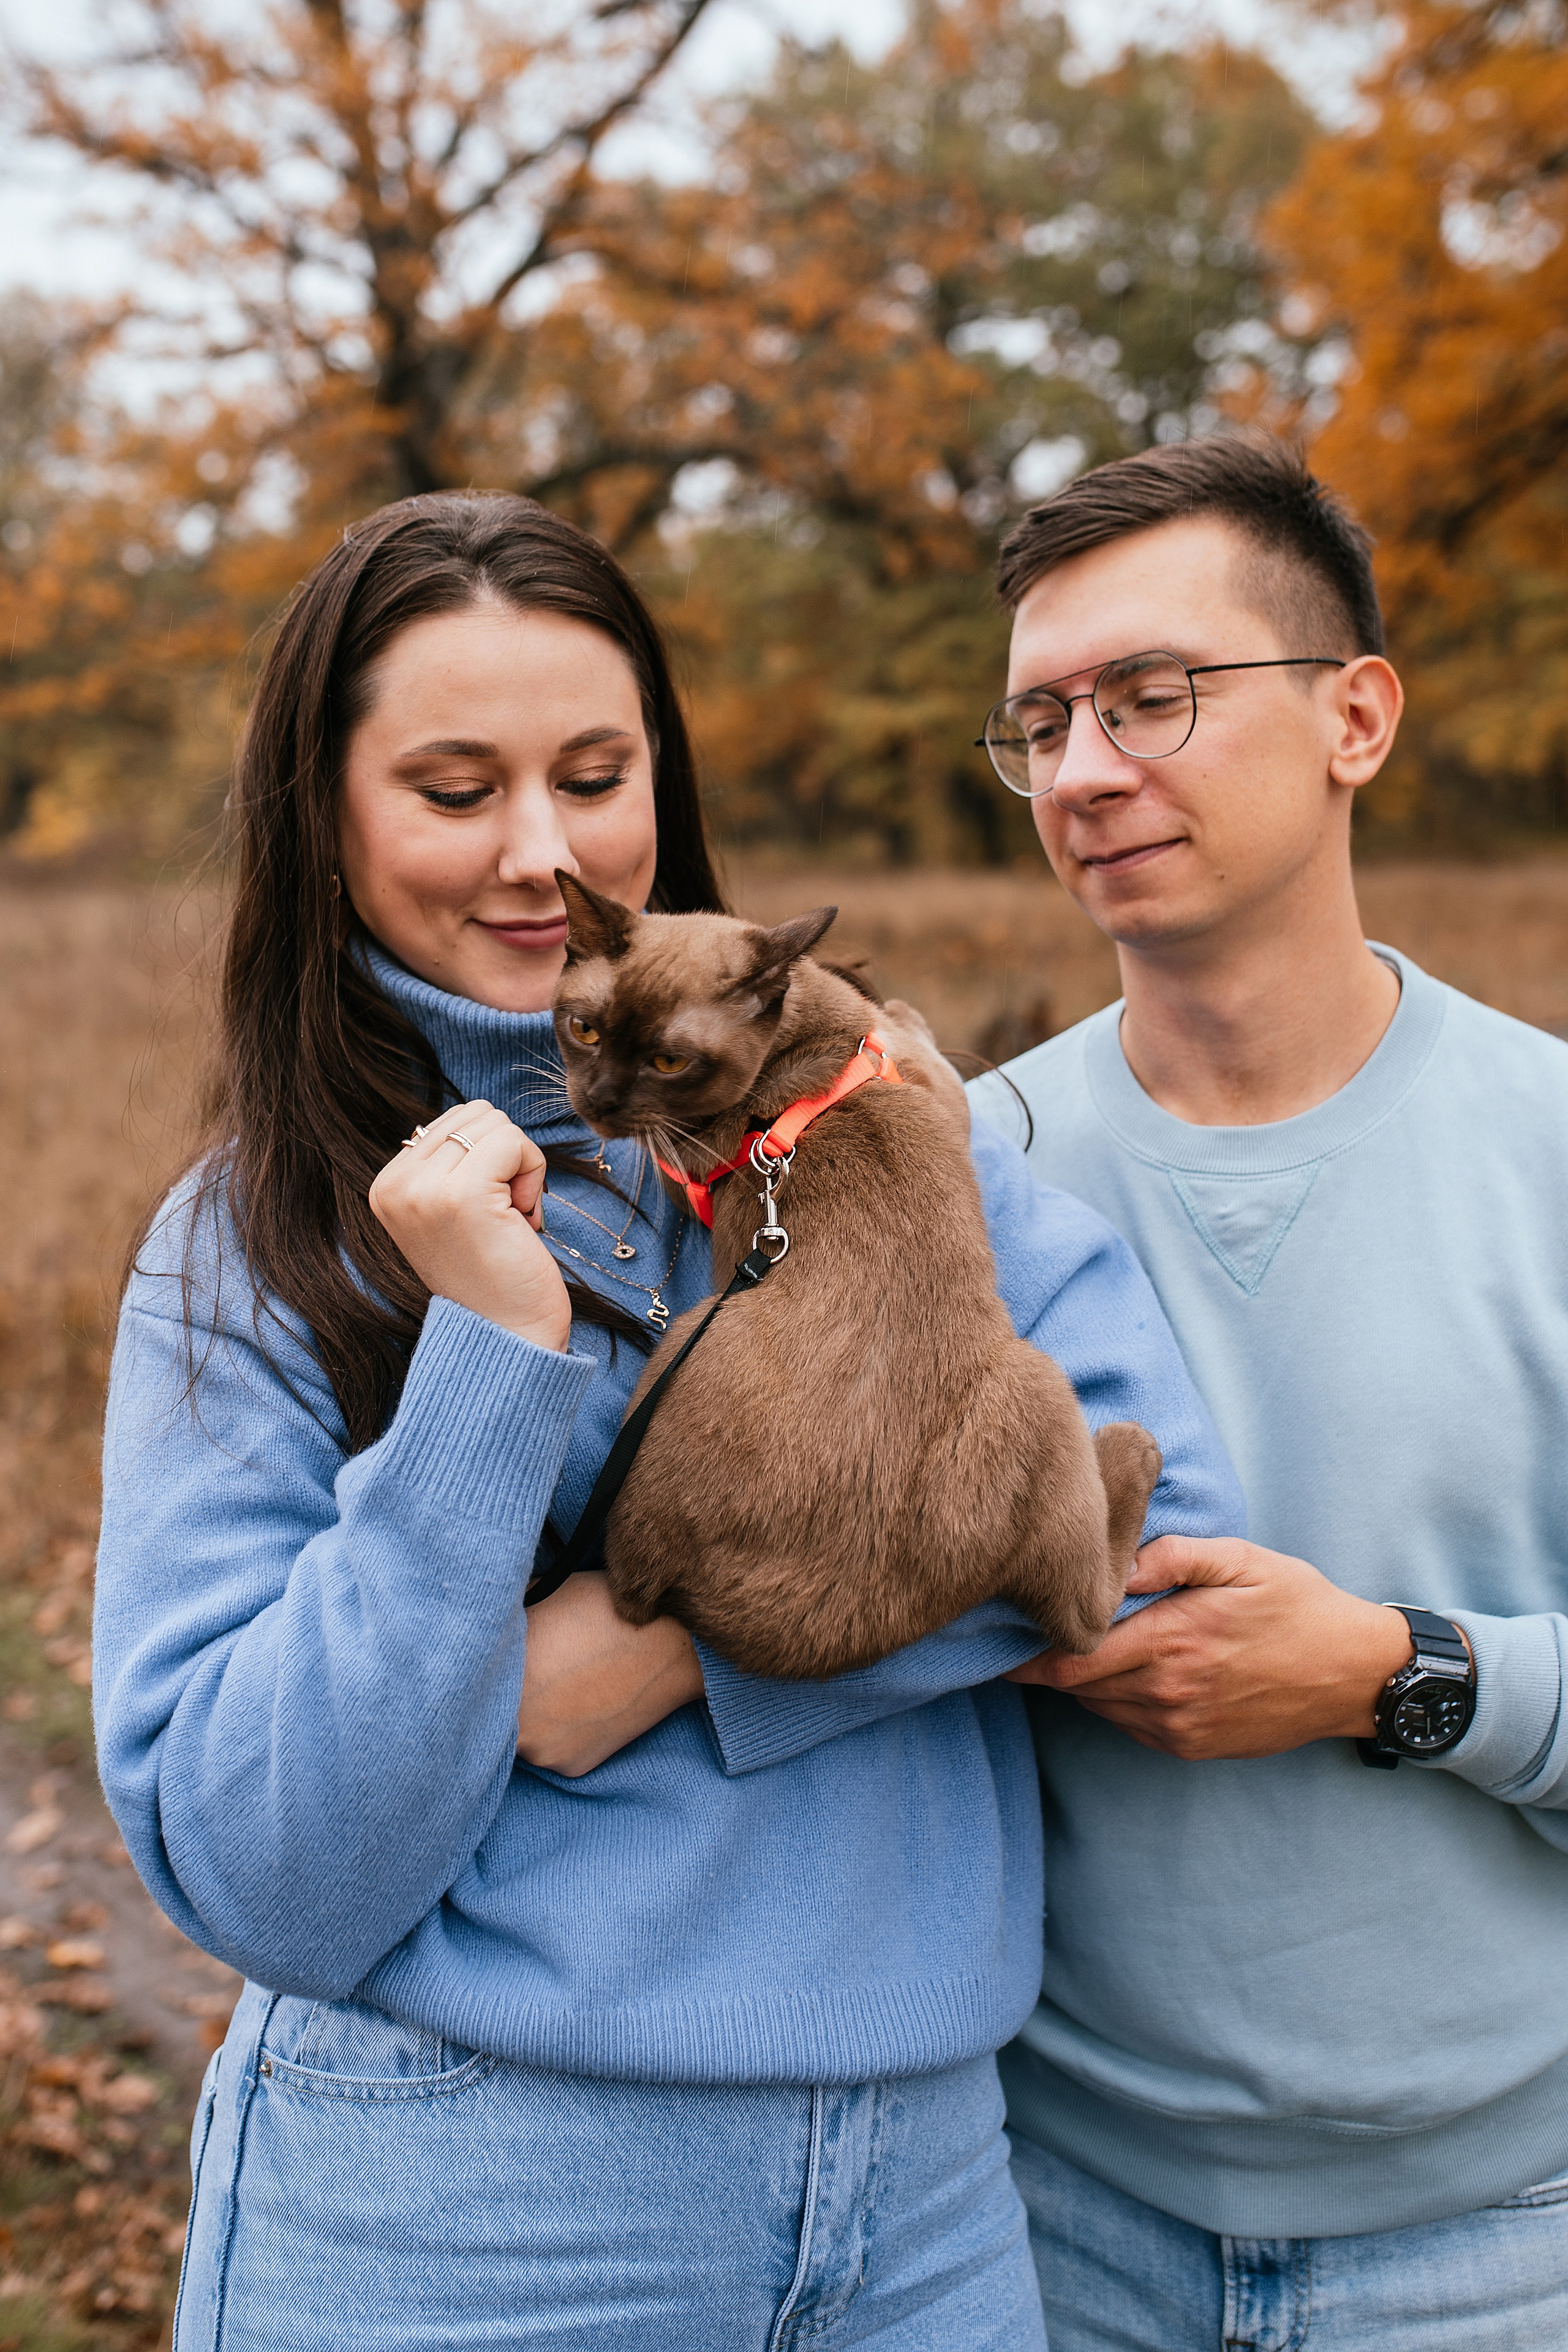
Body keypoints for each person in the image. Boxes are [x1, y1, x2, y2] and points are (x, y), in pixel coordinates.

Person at [93, 490, 1240, 2352]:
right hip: (465, 2210)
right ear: (327, 816)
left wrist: (675, 1652)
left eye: (597, 772)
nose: (541, 854)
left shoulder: (873, 1116)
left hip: (923, 2208)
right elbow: (266, 1868)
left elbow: (1154, 1535)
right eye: (455, 790)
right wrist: (487, 1358)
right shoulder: (256, 1237)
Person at [968, 435, 1568, 2352]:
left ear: (1356, 720)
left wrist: (1397, 1670)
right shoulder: (956, 1175)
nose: (1082, 772)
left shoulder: (1554, 1151)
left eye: (1154, 699)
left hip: (1503, 2238)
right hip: (1048, 2226)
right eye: (1042, 724)